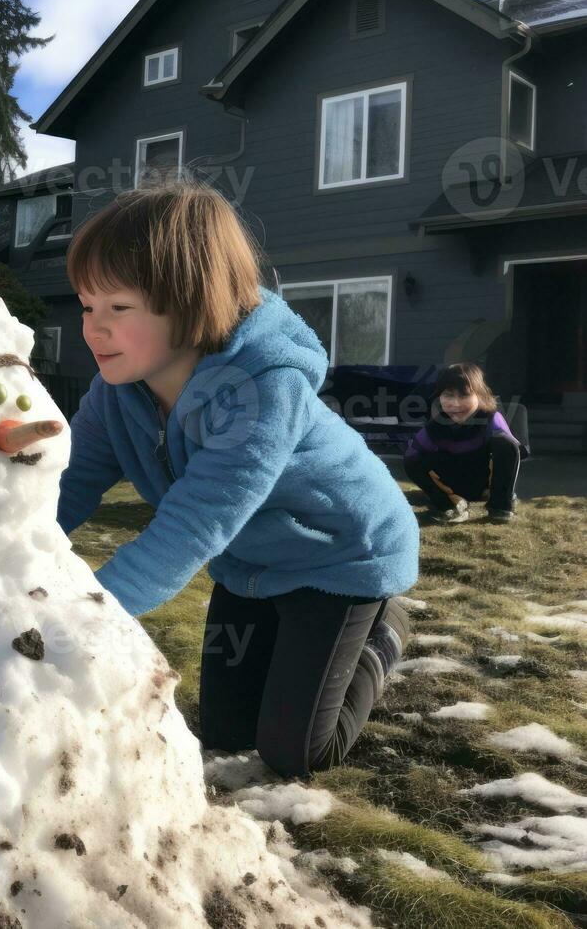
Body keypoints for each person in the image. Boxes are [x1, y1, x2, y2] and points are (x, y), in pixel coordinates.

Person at [56, 182, 419, 779]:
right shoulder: (113, 393)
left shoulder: (261, 388)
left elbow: (194, 522)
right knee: (226, 730)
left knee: (295, 752)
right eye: (87, 306)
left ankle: (384, 629)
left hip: (341, 562)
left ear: (191, 302)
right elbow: (66, 487)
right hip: (250, 568)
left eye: (118, 309)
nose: (93, 330)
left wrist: (90, 614)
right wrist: (1, 559)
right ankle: (303, 648)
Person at [404, 362, 527, 524]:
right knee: (412, 460)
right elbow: (412, 457)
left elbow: (513, 450)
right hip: (453, 485)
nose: (455, 403)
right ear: (439, 397)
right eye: (448, 395)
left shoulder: (491, 419)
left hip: (486, 484)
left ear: (480, 395)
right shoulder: (435, 426)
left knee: (504, 442)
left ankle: (500, 506)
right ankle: (449, 505)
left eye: (464, 395)